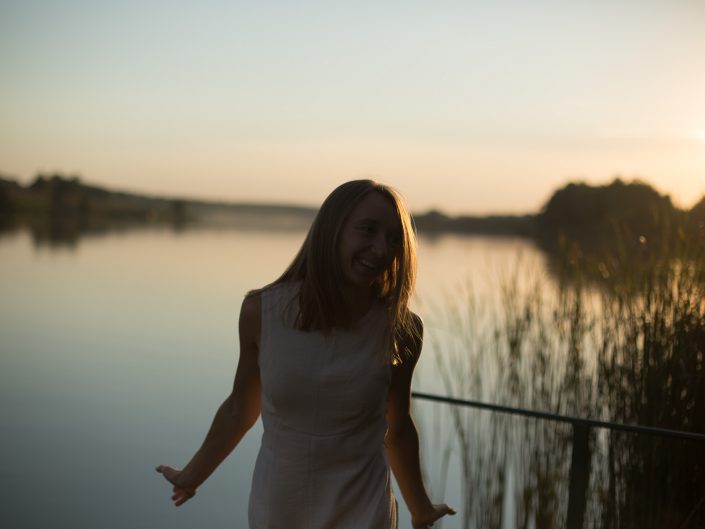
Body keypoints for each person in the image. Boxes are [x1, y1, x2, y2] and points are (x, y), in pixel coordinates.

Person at [156, 180, 455, 529]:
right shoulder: (262, 311)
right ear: (332, 230)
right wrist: (192, 476)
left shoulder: (401, 328)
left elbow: (398, 427)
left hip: (363, 509)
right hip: (279, 508)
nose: (380, 249)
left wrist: (420, 508)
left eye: (393, 239)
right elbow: (240, 408)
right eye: (368, 230)